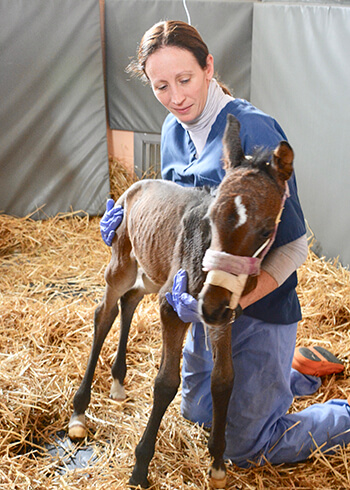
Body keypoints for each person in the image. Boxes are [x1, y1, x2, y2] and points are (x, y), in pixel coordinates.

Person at [100, 20, 348, 468]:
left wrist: (234, 304)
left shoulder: (254, 132)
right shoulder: (174, 131)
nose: (176, 97)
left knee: (244, 447)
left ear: (209, 66)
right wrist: (129, 221)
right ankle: (289, 373)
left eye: (185, 79)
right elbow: (181, 223)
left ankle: (336, 411)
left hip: (260, 309)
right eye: (160, 86)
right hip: (207, 310)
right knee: (197, 414)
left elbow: (293, 248)